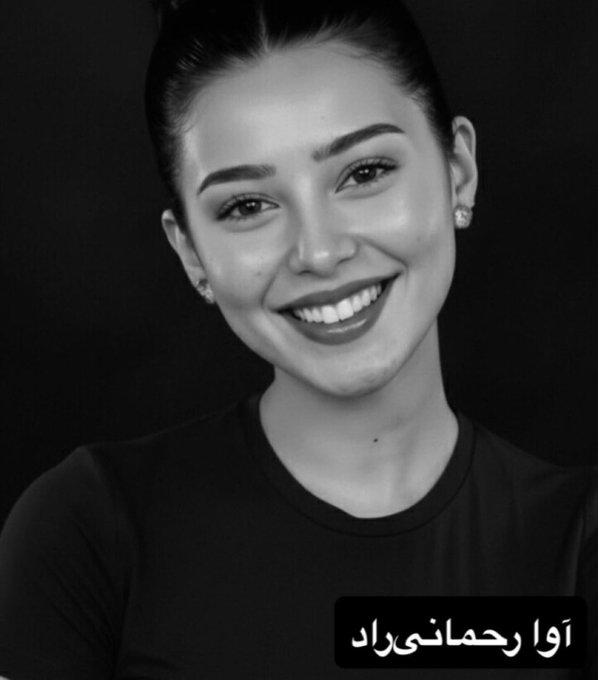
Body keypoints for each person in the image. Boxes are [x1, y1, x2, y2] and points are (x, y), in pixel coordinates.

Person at [0, 0, 595, 678]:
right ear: (191, 252)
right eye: (247, 206)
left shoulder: (577, 545)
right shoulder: (89, 534)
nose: (318, 251)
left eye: (364, 173)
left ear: (458, 169)